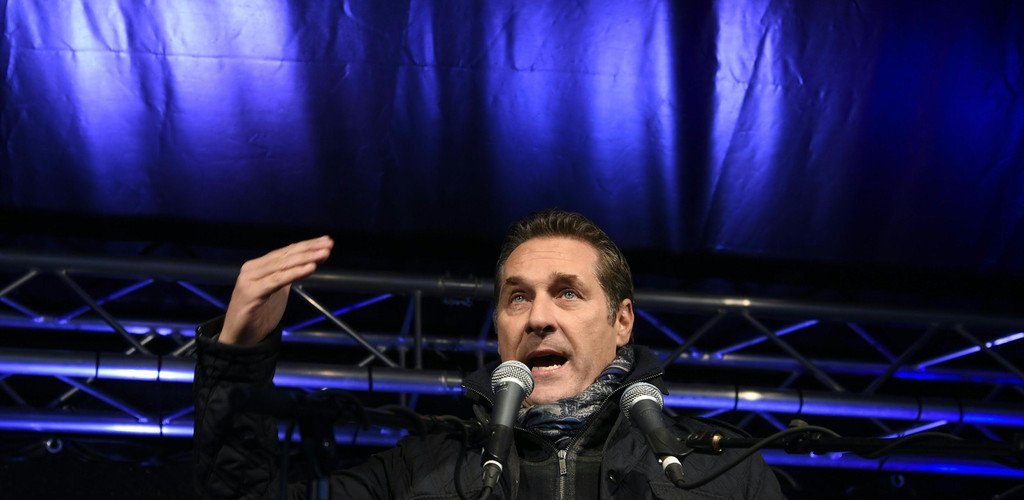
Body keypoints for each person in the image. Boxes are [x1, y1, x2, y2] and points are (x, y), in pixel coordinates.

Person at [194, 210, 784, 498]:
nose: (538, 317)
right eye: (517, 297)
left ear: (621, 320)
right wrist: (238, 355)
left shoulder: (723, 472)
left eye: (567, 293)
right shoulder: (424, 468)